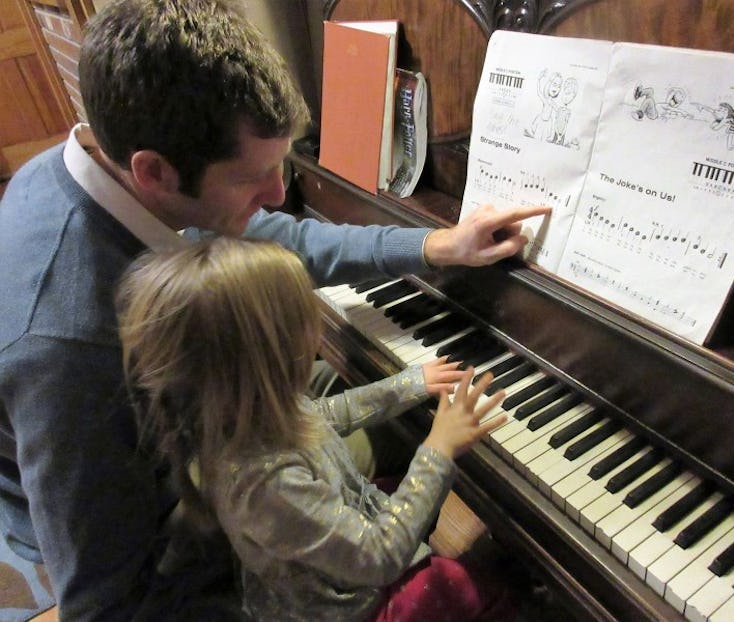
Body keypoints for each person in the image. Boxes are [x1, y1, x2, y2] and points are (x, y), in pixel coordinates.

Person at [0, 0, 549, 619]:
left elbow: (276, 239)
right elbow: (107, 598)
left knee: (380, 408)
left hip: (214, 424)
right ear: (154, 174)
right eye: (252, 177)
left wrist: (435, 244)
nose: (279, 196)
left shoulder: (103, 160)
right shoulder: (66, 349)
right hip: (151, 521)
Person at [116, 237, 514, 622]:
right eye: (303, 317)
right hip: (345, 608)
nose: (316, 326)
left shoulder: (247, 411)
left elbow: (327, 413)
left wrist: (409, 384)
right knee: (462, 583)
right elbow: (380, 556)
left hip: (339, 561)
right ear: (267, 355)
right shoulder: (266, 481)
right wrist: (438, 449)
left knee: (406, 499)